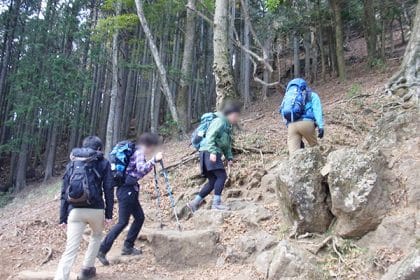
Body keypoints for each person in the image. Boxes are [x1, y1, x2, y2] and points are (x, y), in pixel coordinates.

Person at [97, 133, 162, 266]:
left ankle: (128, 246)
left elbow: (138, 171)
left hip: (129, 190)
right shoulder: (139, 152)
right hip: (127, 191)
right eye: (152, 148)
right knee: (122, 222)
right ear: (148, 145)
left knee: (139, 217)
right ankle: (102, 249)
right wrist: (154, 160)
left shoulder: (136, 152)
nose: (151, 151)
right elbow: (141, 169)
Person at [55, 136, 114, 280]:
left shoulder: (72, 163)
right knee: (97, 236)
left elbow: (64, 192)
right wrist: (108, 214)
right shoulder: (103, 163)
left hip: (74, 211)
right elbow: (108, 189)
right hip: (96, 210)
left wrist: (62, 218)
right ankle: (87, 270)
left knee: (70, 249)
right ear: (99, 149)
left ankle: (61, 278)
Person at [187, 103, 241, 212]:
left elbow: (225, 145)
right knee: (221, 176)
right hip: (210, 152)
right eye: (235, 116)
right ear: (229, 114)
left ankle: (194, 203)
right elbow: (211, 135)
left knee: (213, 180)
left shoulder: (226, 126)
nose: (236, 119)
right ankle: (216, 204)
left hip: (207, 152)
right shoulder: (220, 121)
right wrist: (212, 151)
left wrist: (229, 157)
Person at [279, 78, 324, 156]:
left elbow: (284, 114)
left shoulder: (287, 99)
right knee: (315, 147)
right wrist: (320, 126)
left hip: (292, 126)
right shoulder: (312, 95)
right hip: (306, 123)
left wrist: (290, 128)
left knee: (293, 156)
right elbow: (317, 111)